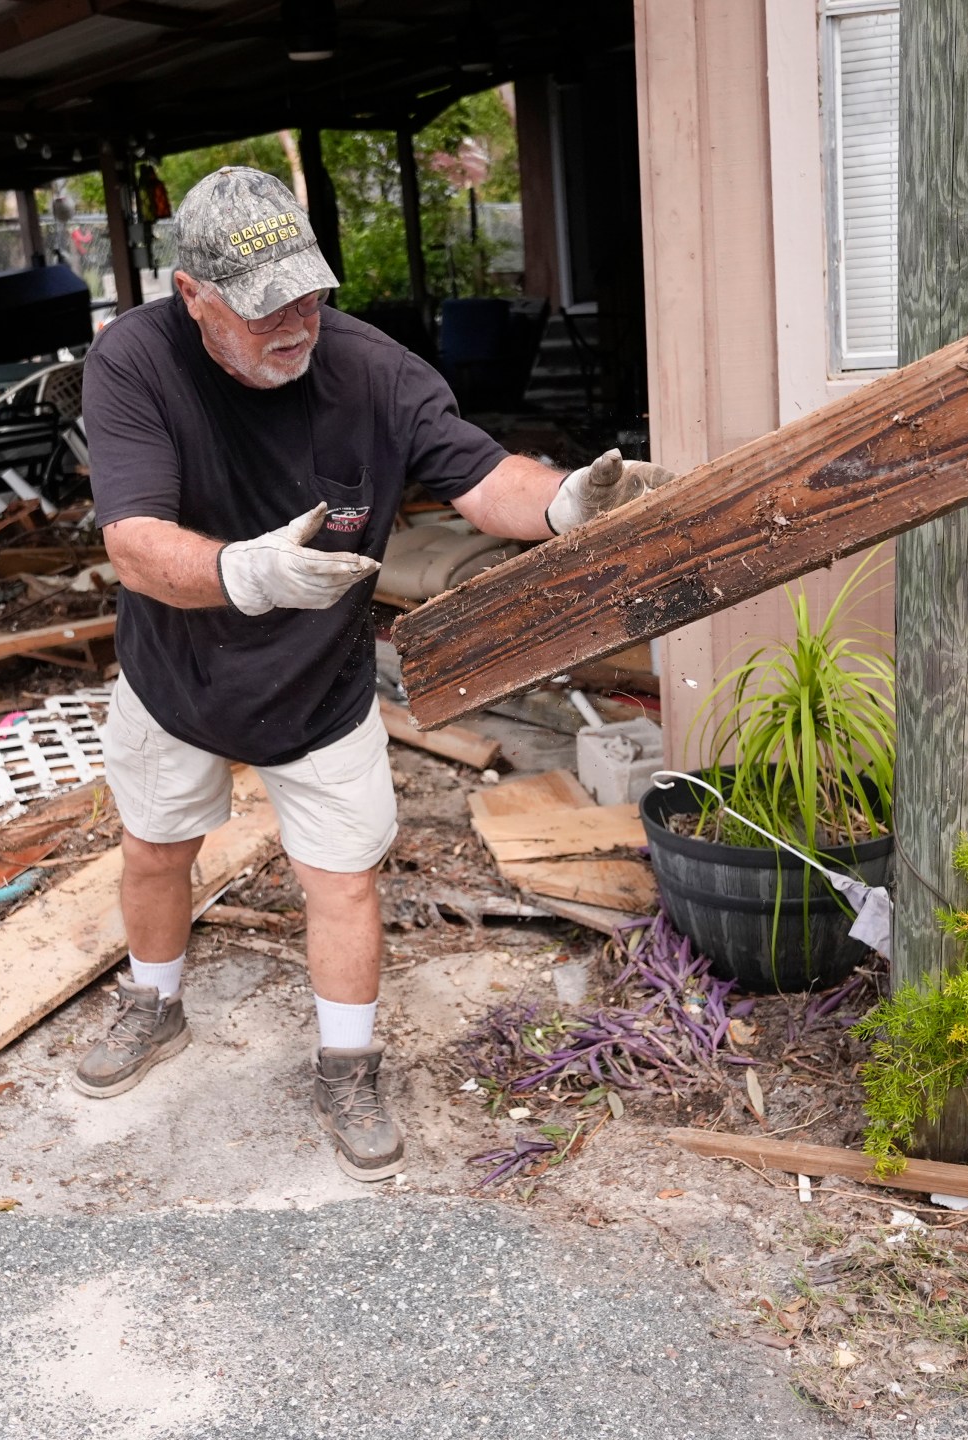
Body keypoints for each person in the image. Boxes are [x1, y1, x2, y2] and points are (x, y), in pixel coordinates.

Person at [76, 167, 670, 1180]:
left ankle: (348, 1064)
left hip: (321, 687)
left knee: (340, 880)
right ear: (193, 298)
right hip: (176, 673)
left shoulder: (372, 372)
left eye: (309, 295)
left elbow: (487, 483)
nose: (296, 324)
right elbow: (132, 545)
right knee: (154, 850)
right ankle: (153, 1000)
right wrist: (247, 569)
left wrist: (563, 502)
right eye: (267, 309)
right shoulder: (134, 361)